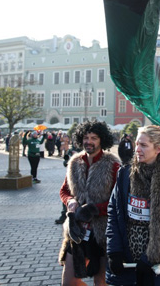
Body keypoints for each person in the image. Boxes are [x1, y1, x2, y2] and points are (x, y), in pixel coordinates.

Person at [105, 125, 160, 286]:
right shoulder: (125, 173)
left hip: (158, 262)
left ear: (158, 148)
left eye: (144, 145)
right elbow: (113, 212)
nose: (137, 149)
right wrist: (114, 251)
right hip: (126, 258)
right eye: (137, 144)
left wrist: (150, 258)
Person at [58, 120, 121, 285]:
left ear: (102, 140)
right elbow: (64, 191)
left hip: (103, 232)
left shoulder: (113, 165)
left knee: (100, 281)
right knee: (69, 281)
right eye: (86, 137)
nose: (89, 141)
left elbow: (118, 201)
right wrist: (70, 201)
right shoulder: (74, 162)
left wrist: (94, 209)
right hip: (78, 231)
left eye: (94, 138)